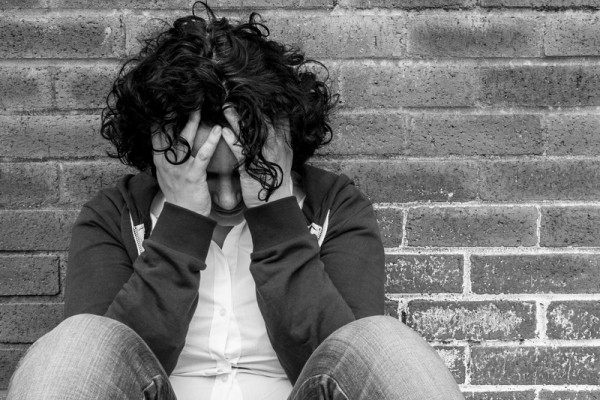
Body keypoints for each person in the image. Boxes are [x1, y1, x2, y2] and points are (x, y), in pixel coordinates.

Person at [7, 5, 465, 400]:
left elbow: (352, 366)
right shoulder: (115, 217)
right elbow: (100, 370)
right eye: (206, 176)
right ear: (160, 154)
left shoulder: (333, 207)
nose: (227, 198)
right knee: (77, 341)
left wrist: (275, 210)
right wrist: (182, 220)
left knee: (383, 338)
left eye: (246, 170)